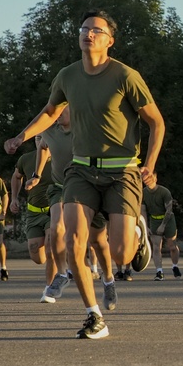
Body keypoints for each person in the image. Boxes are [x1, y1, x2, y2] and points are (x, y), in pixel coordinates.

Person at [4, 10, 163, 339]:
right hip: (81, 170)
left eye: (97, 30)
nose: (89, 33)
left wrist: (149, 163)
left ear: (109, 41)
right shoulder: (67, 76)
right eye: (85, 28)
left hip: (123, 171)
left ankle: (136, 230)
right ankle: (95, 316)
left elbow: (156, 122)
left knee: (120, 254)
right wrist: (21, 137)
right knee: (74, 240)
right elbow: (51, 112)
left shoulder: (125, 76)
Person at [28, 107, 116, 304]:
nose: (57, 115)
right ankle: (61, 274)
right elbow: (42, 147)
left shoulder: (85, 127)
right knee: (56, 229)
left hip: (89, 187)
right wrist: (37, 175)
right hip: (60, 188)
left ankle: (109, 280)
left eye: (62, 111)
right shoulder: (49, 129)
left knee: (98, 242)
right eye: (55, 112)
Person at [11, 144, 57, 288]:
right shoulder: (26, 159)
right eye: (38, 137)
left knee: (51, 249)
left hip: (54, 210)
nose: (41, 140)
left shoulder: (60, 156)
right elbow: (16, 177)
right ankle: (61, 256)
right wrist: (14, 198)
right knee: (37, 256)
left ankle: (50, 288)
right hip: (34, 212)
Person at [142, 170, 181, 280]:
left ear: (155, 178)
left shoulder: (164, 192)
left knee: (172, 246)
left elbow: (169, 210)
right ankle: (159, 271)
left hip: (168, 220)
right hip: (154, 219)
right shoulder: (143, 193)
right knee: (156, 247)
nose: (146, 180)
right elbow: (143, 211)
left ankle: (175, 266)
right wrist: (146, 227)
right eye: (144, 178)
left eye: (149, 177)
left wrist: (163, 225)